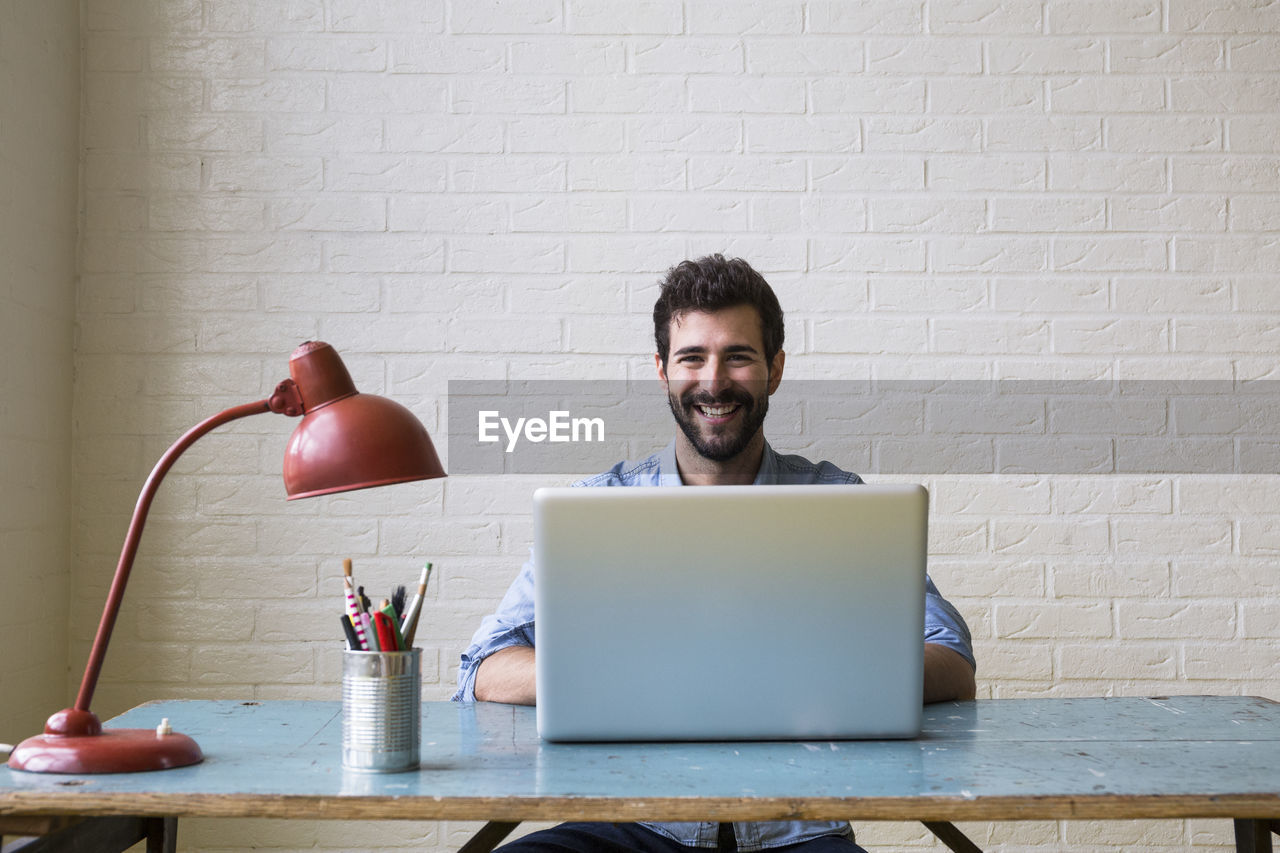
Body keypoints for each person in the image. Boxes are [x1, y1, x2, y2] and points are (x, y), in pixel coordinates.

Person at [454, 254, 977, 853]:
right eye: (692, 357)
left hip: (797, 832)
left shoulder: (836, 505)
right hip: (629, 822)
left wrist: (803, 681)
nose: (714, 380)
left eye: (739, 356)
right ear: (661, 370)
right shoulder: (599, 508)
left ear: (775, 369)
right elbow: (484, 668)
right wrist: (635, 678)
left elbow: (951, 660)